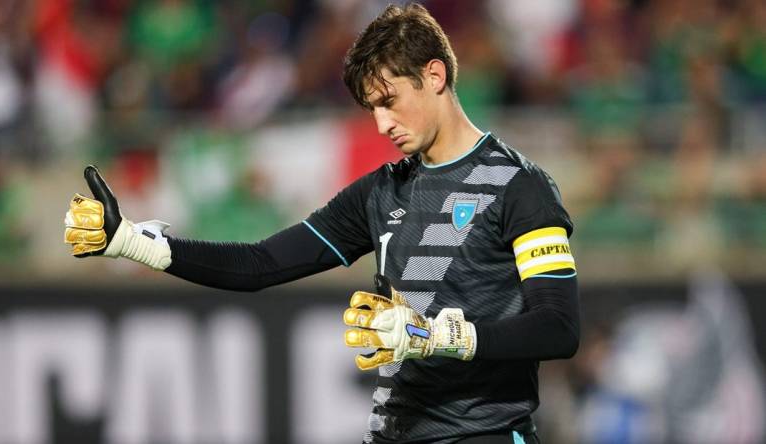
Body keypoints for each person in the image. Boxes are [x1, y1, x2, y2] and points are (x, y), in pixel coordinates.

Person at [64, 4, 579, 443]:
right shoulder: (381, 192)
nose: (382, 124)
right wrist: (135, 243)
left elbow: (558, 328)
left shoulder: (520, 186)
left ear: (435, 76)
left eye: (389, 101)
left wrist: (437, 337)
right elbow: (261, 263)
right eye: (371, 108)